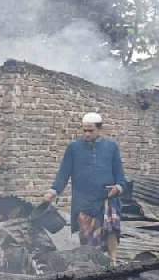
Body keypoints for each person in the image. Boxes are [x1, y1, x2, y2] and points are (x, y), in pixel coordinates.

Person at [43, 112, 126, 265]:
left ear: (100, 129)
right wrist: (53, 191)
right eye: (84, 131)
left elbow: (120, 176)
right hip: (83, 201)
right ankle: (91, 264)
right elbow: (63, 172)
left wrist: (118, 188)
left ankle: (112, 261)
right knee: (86, 236)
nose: (87, 134)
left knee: (111, 227)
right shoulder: (73, 148)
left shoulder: (112, 147)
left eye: (91, 130)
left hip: (106, 198)